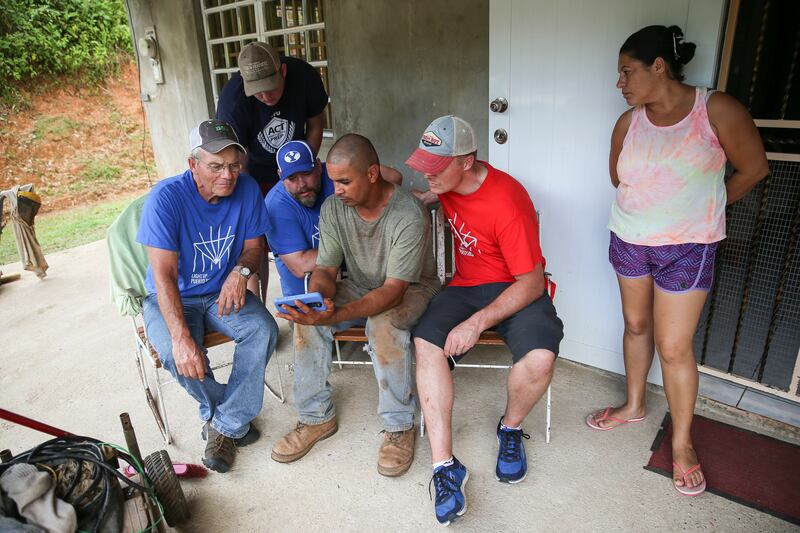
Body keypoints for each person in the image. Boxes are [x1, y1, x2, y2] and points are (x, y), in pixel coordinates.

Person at [586, 25, 768, 496]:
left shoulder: (716, 110)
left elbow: (754, 167)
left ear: (659, 67)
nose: (620, 83)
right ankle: (633, 405)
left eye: (627, 72)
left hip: (689, 246)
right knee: (636, 325)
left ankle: (682, 443)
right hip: (629, 239)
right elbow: (617, 178)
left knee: (673, 346)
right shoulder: (629, 123)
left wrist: (707, 207)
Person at [406, 115, 564, 525]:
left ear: (467, 160)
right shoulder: (449, 182)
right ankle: (445, 467)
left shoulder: (507, 200)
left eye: (435, 168)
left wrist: (476, 323)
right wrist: (427, 196)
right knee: (426, 343)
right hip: (465, 286)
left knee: (540, 358)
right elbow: (427, 186)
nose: (429, 174)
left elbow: (530, 283)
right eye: (425, 164)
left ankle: (510, 430)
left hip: (516, 288)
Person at [271, 134, 440, 477]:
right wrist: (317, 300)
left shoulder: (408, 212)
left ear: (373, 173)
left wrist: (339, 314)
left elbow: (393, 291)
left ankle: (399, 426)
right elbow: (326, 269)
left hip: (411, 289)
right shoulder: (335, 208)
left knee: (382, 325)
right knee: (306, 320)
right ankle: (316, 417)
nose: (337, 190)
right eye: (333, 181)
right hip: (362, 282)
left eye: (345, 181)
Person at [137, 119, 278, 473]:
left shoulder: (246, 189)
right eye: (216, 166)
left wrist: (241, 272)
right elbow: (164, 275)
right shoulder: (166, 199)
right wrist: (183, 337)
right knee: (176, 351)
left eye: (234, 165)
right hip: (173, 296)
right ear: (192, 165)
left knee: (263, 330)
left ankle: (222, 425)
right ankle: (230, 421)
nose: (227, 175)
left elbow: (253, 248)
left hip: (220, 291)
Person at [216, 41, 329, 296]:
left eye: (270, 88)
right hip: (252, 172)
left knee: (301, 228)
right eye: (257, 92)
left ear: (283, 72)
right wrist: (252, 197)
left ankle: (314, 290)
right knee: (254, 237)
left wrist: (300, 171)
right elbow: (236, 158)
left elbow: (315, 127)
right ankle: (259, 308)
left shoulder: (304, 77)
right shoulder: (232, 102)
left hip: (298, 167)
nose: (266, 97)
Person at [264, 139, 403, 297]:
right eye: (292, 178)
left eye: (307, 173)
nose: (301, 184)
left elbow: (394, 177)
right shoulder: (276, 205)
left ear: (318, 166)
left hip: (361, 284)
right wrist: (359, 238)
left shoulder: (336, 174)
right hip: (307, 296)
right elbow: (301, 266)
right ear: (280, 176)